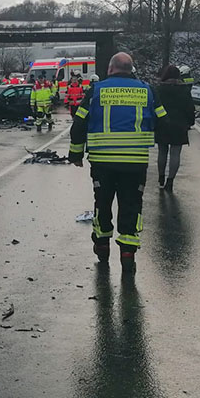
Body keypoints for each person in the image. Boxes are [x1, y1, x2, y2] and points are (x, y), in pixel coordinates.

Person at [68, 53, 167, 274]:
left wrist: (75, 155)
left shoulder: (96, 90)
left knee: (102, 203)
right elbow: (163, 122)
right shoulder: (148, 90)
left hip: (103, 162)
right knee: (131, 204)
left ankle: (102, 246)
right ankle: (128, 253)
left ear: (110, 69)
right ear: (131, 69)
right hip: (135, 162)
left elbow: (79, 123)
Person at [154, 64, 195, 192]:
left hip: (162, 123)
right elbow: (190, 109)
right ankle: (170, 181)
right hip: (179, 125)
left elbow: (154, 106)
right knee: (175, 153)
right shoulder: (184, 90)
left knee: (162, 151)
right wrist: (190, 122)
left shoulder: (159, 89)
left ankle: (161, 176)